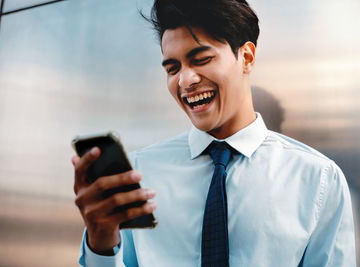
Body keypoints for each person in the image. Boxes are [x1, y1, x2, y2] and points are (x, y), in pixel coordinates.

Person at [72, 0, 356, 266]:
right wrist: (101, 243)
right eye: (173, 68)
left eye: (201, 59)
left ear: (246, 57)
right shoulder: (139, 173)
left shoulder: (318, 179)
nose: (185, 80)